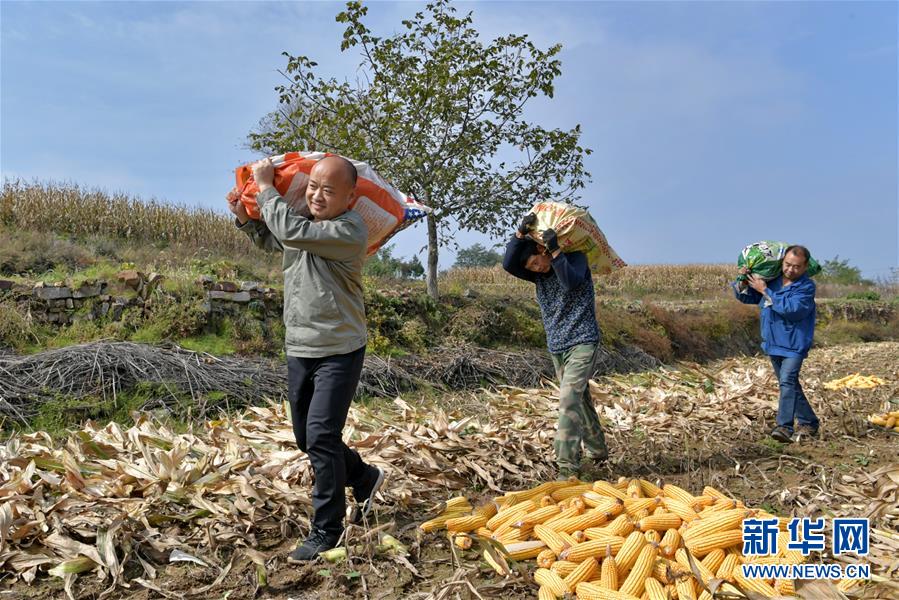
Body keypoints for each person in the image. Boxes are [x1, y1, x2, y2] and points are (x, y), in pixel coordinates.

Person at [227, 156, 385, 562]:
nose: (316, 195)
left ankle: (327, 531)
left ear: (350, 197)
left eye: (328, 191)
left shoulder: (349, 230)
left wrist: (265, 187)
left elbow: (289, 230)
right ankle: (365, 477)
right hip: (300, 345)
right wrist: (244, 218)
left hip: (339, 348)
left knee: (321, 436)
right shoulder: (307, 228)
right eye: (313, 186)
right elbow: (275, 239)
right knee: (306, 438)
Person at [502, 213, 609, 478]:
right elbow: (508, 264)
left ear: (543, 251)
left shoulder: (575, 260)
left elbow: (570, 282)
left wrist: (556, 251)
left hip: (583, 342)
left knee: (568, 400)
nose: (535, 269)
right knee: (579, 398)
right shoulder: (537, 276)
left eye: (536, 263)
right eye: (531, 268)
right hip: (558, 346)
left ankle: (567, 467)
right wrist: (519, 235)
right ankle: (597, 450)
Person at [733, 245, 819, 443]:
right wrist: (743, 281)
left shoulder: (806, 287)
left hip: (794, 344)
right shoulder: (773, 281)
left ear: (805, 267)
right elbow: (749, 297)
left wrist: (766, 291)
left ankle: (784, 427)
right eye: (787, 264)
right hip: (773, 341)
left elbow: (793, 310)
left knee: (787, 381)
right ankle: (809, 422)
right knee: (789, 384)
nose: (790, 270)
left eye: (796, 267)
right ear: (782, 262)